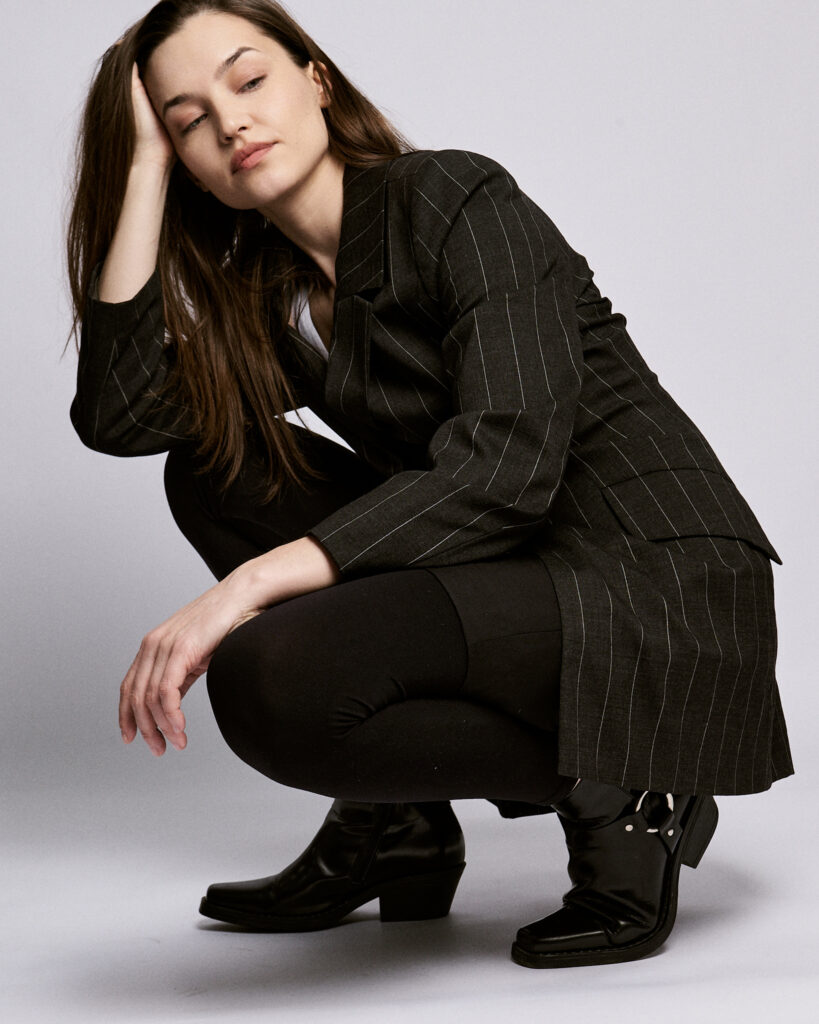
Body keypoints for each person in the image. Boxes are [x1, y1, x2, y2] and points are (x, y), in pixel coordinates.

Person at [67, 0, 792, 969]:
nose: (231, 122)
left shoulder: (451, 199)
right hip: (511, 563)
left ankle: (631, 788)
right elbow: (118, 416)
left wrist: (246, 587)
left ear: (316, 80)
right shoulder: (275, 298)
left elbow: (507, 467)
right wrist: (141, 168)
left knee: (272, 679)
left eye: (249, 81)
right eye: (190, 119)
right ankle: (398, 825)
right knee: (215, 470)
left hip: (650, 576)